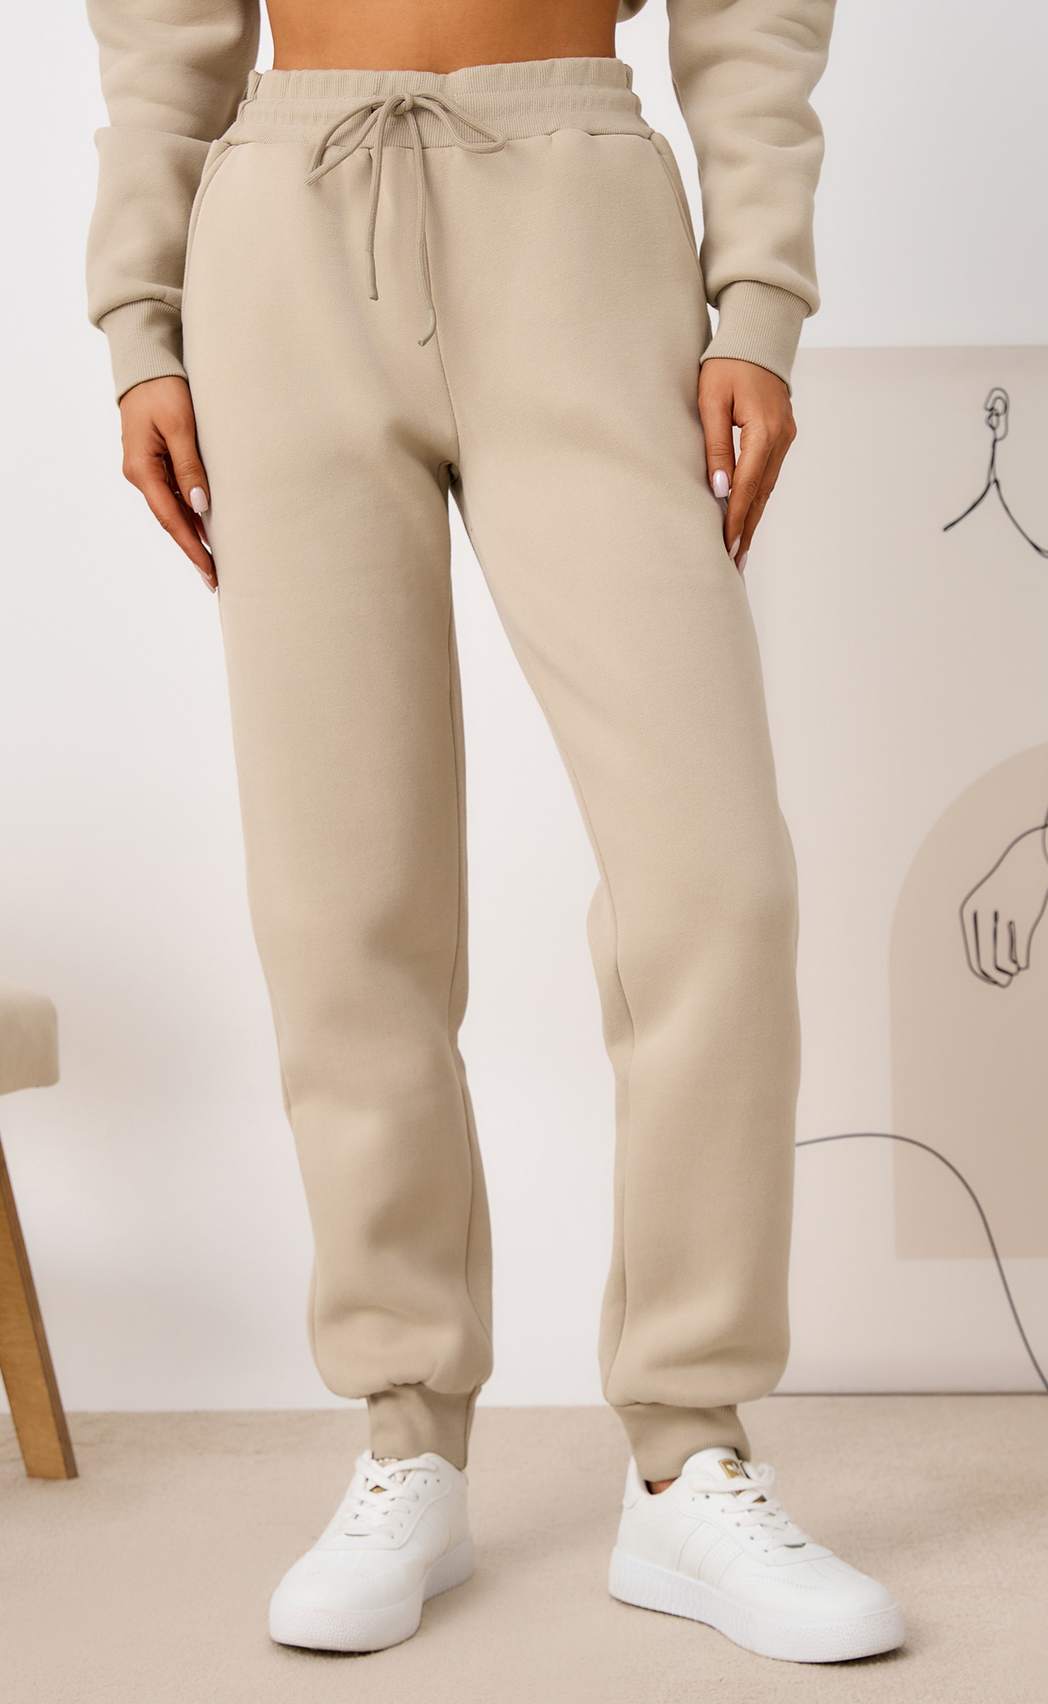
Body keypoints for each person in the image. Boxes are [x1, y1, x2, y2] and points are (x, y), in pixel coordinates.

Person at [84, 0, 904, 1664]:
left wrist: (758, 298)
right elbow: (162, 31)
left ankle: (687, 1452)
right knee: (343, 899)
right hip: (282, 236)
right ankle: (407, 1437)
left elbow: (753, 14)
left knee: (715, 885)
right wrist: (139, 324)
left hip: (580, 212)